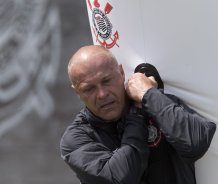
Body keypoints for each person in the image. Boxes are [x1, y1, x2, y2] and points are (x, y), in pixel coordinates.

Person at [60, 45, 216, 184]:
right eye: (89, 89)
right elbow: (120, 178)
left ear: (121, 73)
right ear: (77, 93)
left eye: (106, 80)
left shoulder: (155, 102)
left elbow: (196, 142)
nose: (102, 94)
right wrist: (137, 113)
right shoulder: (76, 139)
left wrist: (149, 94)